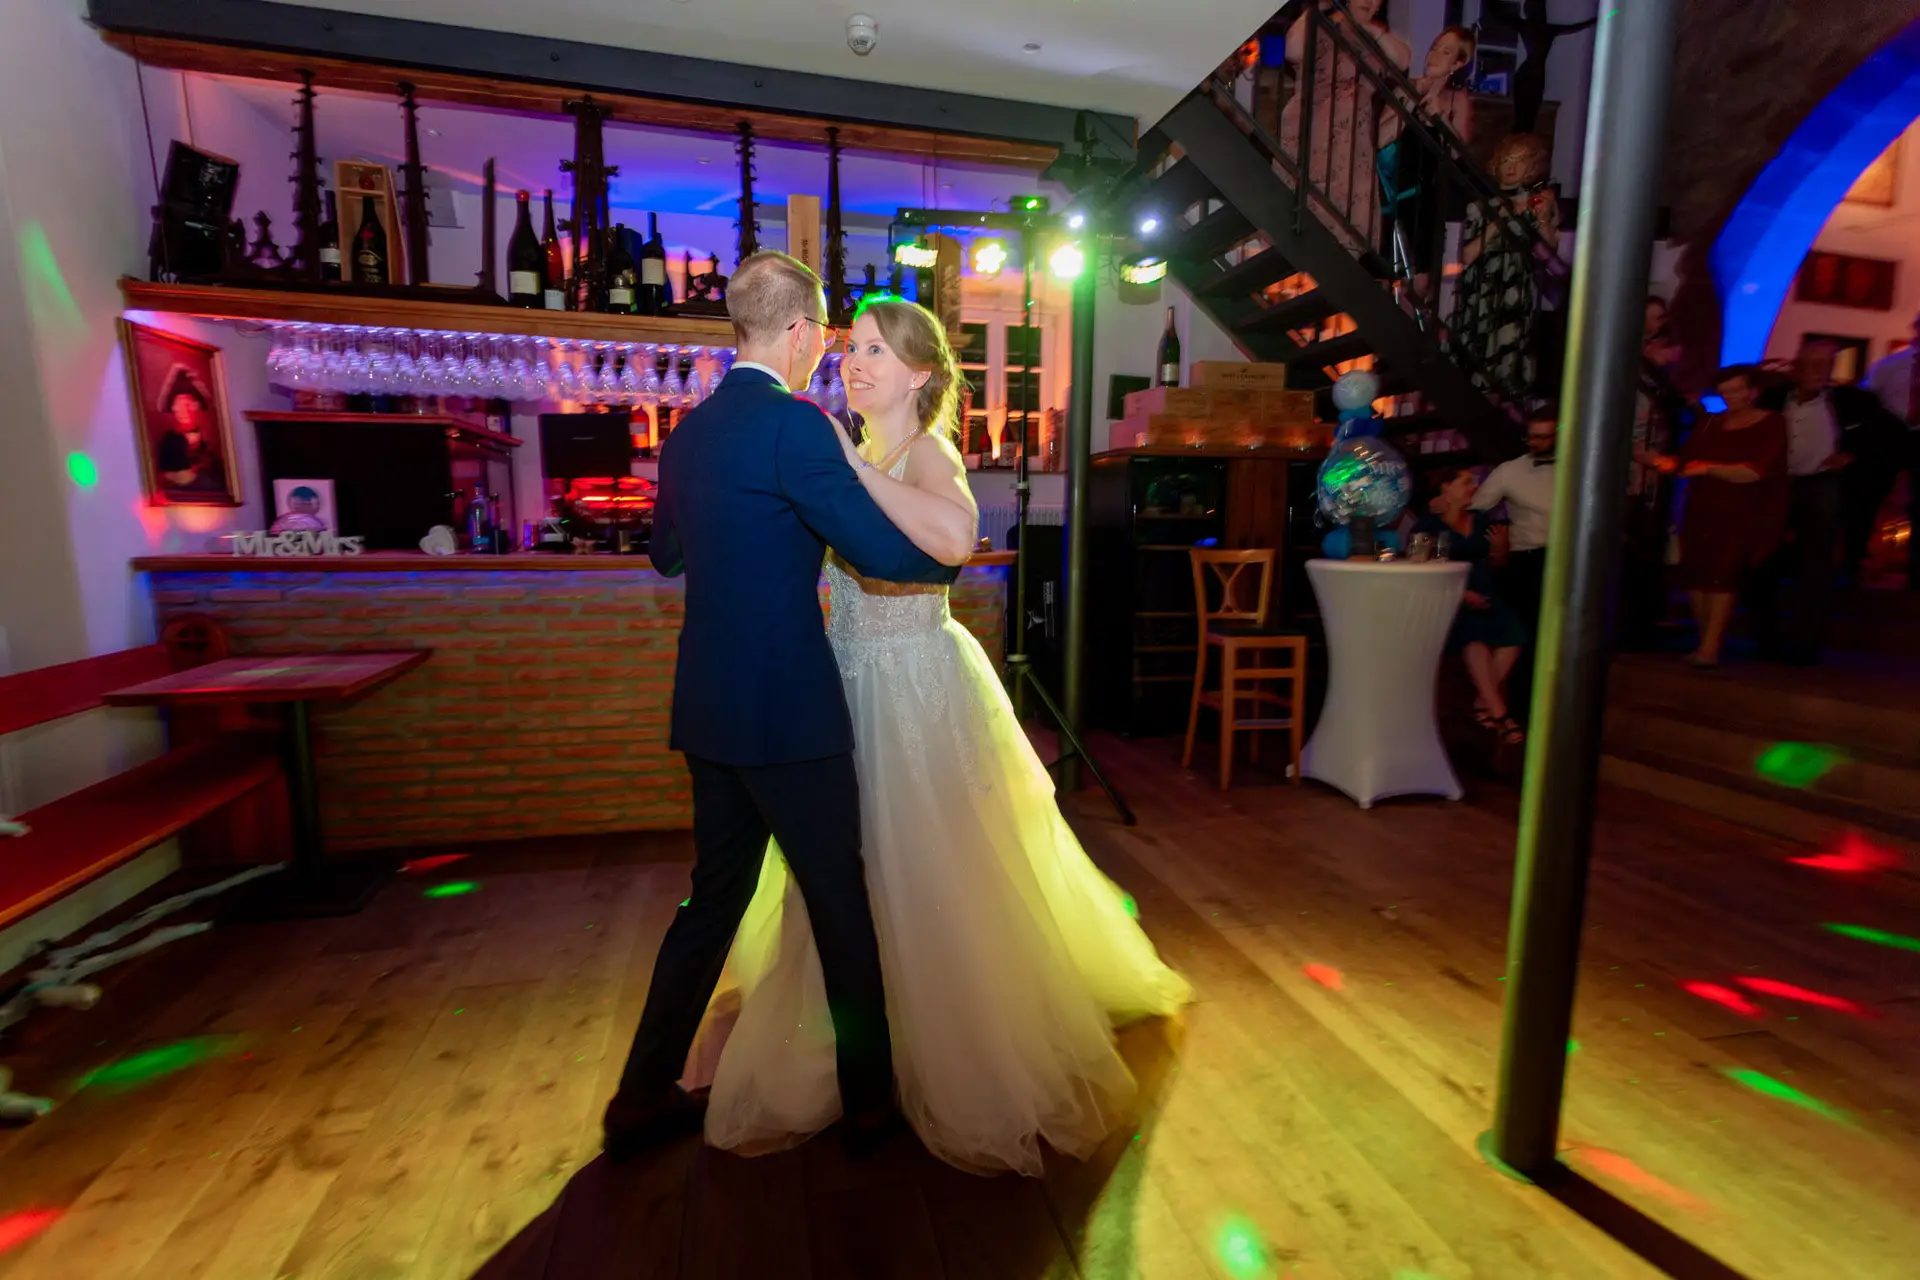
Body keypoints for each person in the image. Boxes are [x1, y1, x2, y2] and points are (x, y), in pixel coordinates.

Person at [689, 296, 1191, 1177]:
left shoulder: (927, 451)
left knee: (926, 868)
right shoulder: (845, 447)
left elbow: (957, 539)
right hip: (839, 680)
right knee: (848, 877)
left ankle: (945, 1041)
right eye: (852, 349)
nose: (855, 363)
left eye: (877, 352)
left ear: (920, 374)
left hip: (914, 685)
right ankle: (860, 1042)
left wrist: (851, 468)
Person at [602, 252, 960, 1161]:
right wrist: (947, 556)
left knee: (710, 902)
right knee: (840, 904)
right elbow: (880, 552)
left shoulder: (686, 435)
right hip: (791, 715)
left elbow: (667, 559)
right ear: (802, 332)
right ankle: (870, 1106)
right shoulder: (794, 428)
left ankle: (639, 1098)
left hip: (711, 711)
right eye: (827, 340)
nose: (827, 357)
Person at [1642, 366, 1788, 668]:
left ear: (1753, 391)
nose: (1730, 397)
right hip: (1701, 508)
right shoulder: (1710, 423)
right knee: (1696, 574)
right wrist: (1653, 459)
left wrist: (1708, 468)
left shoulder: (1772, 423)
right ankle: (1704, 640)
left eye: (1736, 390)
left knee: (1723, 574)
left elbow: (1756, 471)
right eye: (1724, 391)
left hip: (1742, 511)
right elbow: (1683, 461)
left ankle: (1710, 646)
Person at [1281, 0, 1411, 252]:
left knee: (1349, 230)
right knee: (1304, 220)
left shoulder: (1376, 40)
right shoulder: (1324, 25)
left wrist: (1368, 28)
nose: (1369, 1)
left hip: (1352, 138)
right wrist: (1318, 9)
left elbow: (1403, 60)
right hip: (1312, 128)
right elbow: (1292, 50)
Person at [1753, 342, 1850, 664]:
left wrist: (1851, 455)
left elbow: (1884, 434)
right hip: (1775, 485)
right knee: (1764, 558)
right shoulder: (1773, 398)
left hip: (1818, 485)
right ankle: (1767, 638)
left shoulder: (1847, 403)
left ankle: (1805, 643)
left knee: (1815, 564)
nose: (1817, 370)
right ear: (1796, 366)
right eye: (1810, 363)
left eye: (1825, 364)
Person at [1414, 468, 1526, 745]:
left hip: (1485, 594)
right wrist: (1463, 595)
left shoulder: (1480, 520)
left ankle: (1483, 700)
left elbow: (1498, 563)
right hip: (1450, 598)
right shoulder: (1426, 527)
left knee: (1514, 635)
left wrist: (1500, 549)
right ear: (1446, 488)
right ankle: (1501, 715)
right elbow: (1420, 569)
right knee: (1472, 636)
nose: (1473, 487)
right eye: (1466, 482)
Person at [1453, 133, 1559, 402]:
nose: (1511, 167)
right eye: (1506, 160)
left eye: (1520, 160)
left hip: (1516, 291)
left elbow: (1549, 254)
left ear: (1532, 166)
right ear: (1495, 165)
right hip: (1482, 292)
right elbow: (1466, 256)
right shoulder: (1480, 207)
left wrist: (1544, 220)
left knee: (1510, 356)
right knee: (1478, 358)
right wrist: (1498, 220)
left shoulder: (1540, 203)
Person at [1378, 26, 1476, 302]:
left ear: (1458, 63)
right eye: (1434, 47)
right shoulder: (1406, 87)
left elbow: (1461, 154)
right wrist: (1408, 102)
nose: (1434, 54)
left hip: (1427, 198)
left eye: (1445, 51)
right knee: (1384, 276)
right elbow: (1379, 139)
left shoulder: (1458, 99)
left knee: (1421, 284)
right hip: (1392, 189)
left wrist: (1440, 118)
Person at [1621, 298, 1692, 650]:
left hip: (1655, 477)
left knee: (1648, 548)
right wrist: (1645, 456)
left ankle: (1643, 624)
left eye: (1658, 320)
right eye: (1647, 320)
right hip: (1630, 476)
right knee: (1631, 548)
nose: (1654, 328)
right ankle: (1628, 625)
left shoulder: (1661, 378)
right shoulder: (1627, 370)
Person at [1861, 312, 1919, 589]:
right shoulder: (1889, 366)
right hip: (1892, 440)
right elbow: (1868, 401)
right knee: (1881, 501)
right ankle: (1874, 560)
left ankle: (1912, 568)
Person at [155, 369, 228, 497]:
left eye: (188, 404)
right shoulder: (169, 442)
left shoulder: (210, 444)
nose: (184, 410)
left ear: (197, 406)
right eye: (179, 405)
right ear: (173, 408)